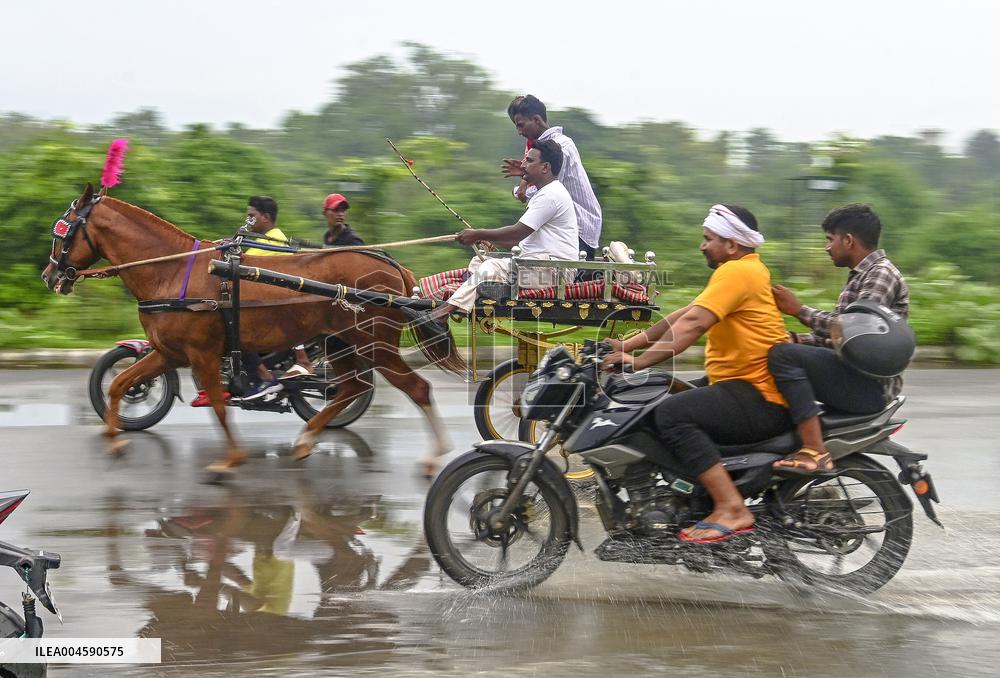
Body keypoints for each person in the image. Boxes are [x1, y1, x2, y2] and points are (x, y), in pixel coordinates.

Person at [600, 204, 791, 544]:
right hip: (744, 385)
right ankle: (694, 498)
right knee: (665, 395)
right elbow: (686, 313)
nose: (702, 245)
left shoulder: (737, 273)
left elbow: (694, 325)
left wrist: (639, 362)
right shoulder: (743, 270)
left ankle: (731, 507)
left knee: (671, 415)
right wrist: (630, 346)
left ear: (731, 244)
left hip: (756, 393)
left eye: (708, 239)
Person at [768, 204, 910, 473]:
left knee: (783, 357)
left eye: (829, 239)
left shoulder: (881, 274)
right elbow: (840, 340)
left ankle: (815, 450)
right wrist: (795, 339)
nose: (826, 247)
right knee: (782, 351)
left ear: (848, 240)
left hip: (869, 387)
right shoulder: (861, 275)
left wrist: (798, 311)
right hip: (854, 375)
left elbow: (853, 334)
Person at [411, 139, 578, 332]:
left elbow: (517, 233)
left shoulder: (551, 196)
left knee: (490, 265)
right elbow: (521, 243)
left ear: (545, 167)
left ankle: (442, 314)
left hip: (554, 273)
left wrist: (477, 234)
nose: (523, 164)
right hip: (540, 266)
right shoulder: (546, 193)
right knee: (479, 262)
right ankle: (476, 294)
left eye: (529, 161)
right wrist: (488, 239)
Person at [501, 95, 602, 260]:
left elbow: (549, 189)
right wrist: (527, 175)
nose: (519, 132)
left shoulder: (560, 147)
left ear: (537, 120)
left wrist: (521, 190)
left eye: (521, 125)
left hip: (578, 227)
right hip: (560, 226)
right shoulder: (544, 148)